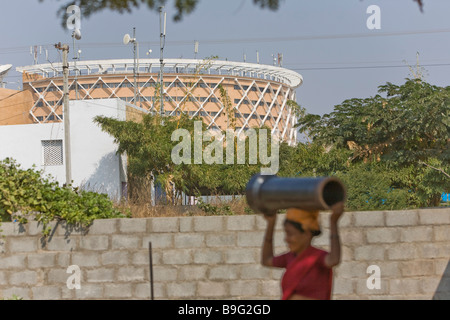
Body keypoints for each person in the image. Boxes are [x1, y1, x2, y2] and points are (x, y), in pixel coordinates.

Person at [261, 202, 345, 300]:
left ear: (306, 234)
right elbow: (266, 260)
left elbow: (334, 259)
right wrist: (271, 223)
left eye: (290, 234)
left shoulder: (317, 257)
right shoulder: (289, 257)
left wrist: (333, 222)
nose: (286, 239)